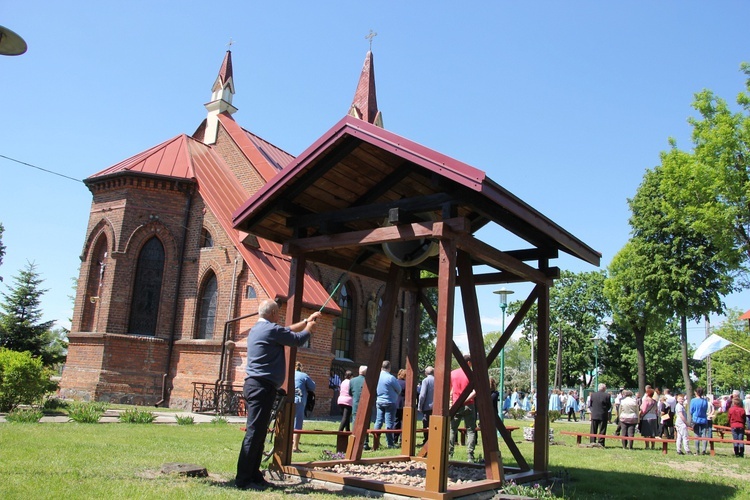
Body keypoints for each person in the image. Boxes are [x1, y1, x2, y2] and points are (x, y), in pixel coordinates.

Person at [235, 299, 320, 491]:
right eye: (278, 313)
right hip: (261, 387)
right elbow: (296, 339)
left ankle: (254, 475)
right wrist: (310, 329)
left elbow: (288, 329)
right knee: (254, 433)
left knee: (259, 432)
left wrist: (306, 321)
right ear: (273, 313)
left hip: (257, 386)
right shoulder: (271, 330)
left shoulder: (259, 329)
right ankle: (243, 479)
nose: (279, 317)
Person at [450, 354, 477, 462]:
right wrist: (465, 400)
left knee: (452, 430)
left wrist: (452, 402)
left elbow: (451, 390)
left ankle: (449, 454)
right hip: (469, 404)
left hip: (456, 405)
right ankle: (470, 455)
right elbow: (475, 391)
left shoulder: (453, 373)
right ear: (469, 362)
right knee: (470, 430)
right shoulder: (472, 374)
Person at [374, 360, 401, 449]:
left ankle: (376, 442)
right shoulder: (391, 378)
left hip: (379, 401)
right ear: (389, 367)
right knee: (389, 423)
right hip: (390, 401)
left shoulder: (377, 377)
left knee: (378, 421)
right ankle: (390, 443)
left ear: (381, 367)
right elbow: (399, 389)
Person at [292, 361, 316, 452]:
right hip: (299, 400)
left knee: (287, 422)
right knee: (297, 423)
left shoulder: (288, 373)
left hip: (286, 400)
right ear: (300, 368)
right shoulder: (303, 375)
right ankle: (295, 447)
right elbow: (313, 387)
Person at [349, 365, 370, 450]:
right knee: (365, 424)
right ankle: (365, 443)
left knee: (355, 423)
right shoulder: (368, 381)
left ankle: (354, 441)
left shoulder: (352, 381)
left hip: (356, 405)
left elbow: (350, 392)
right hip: (366, 405)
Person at [417, 366, 435, 445]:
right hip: (436, 407)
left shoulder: (425, 380)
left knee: (426, 424)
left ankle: (426, 441)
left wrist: (420, 406)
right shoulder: (437, 380)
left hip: (427, 407)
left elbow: (422, 395)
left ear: (425, 373)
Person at [690, 387, 709, 455]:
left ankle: (697, 450)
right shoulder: (705, 401)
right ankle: (704, 450)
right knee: (704, 435)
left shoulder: (693, 401)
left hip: (696, 419)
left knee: (696, 435)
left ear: (696, 393)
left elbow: (691, 410)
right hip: (704, 419)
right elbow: (706, 409)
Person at [394, 368, 407, 445]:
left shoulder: (395, 382)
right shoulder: (406, 383)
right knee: (403, 422)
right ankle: (402, 439)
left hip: (396, 403)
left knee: (396, 421)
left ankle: (395, 438)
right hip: (403, 404)